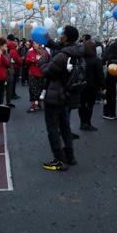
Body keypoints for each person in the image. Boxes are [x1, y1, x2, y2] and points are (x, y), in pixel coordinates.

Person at [39, 26, 84, 171]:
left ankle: (59, 160)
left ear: (66, 37)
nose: (61, 35)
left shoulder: (61, 56)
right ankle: (70, 156)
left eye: (62, 33)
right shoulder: (77, 51)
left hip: (55, 96)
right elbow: (59, 46)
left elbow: (47, 71)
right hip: (67, 95)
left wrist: (42, 59)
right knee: (65, 126)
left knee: (52, 128)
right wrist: (49, 41)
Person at [79, 39, 103, 131]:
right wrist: (103, 86)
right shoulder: (97, 60)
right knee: (90, 105)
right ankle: (87, 123)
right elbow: (100, 74)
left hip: (81, 85)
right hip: (93, 85)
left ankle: (82, 123)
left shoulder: (81, 59)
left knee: (81, 104)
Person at [25, 40, 48, 112]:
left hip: (41, 74)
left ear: (40, 44)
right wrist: (35, 61)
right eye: (34, 44)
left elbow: (45, 60)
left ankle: (39, 105)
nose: (34, 45)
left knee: (40, 91)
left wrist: (34, 60)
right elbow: (27, 60)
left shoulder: (43, 52)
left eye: (36, 43)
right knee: (32, 92)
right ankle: (33, 106)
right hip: (32, 74)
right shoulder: (30, 52)